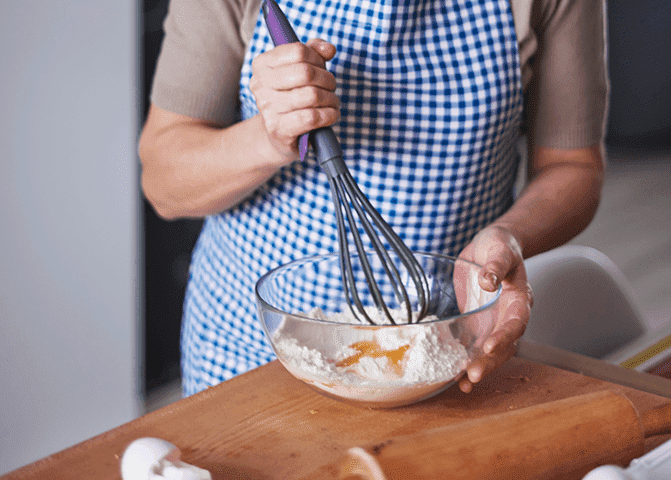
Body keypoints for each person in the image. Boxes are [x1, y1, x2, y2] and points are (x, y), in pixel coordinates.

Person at [139, 0, 608, 396]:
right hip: (255, 352)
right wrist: (268, 138)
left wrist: (509, 235)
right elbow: (164, 182)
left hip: (445, 352)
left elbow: (573, 167)